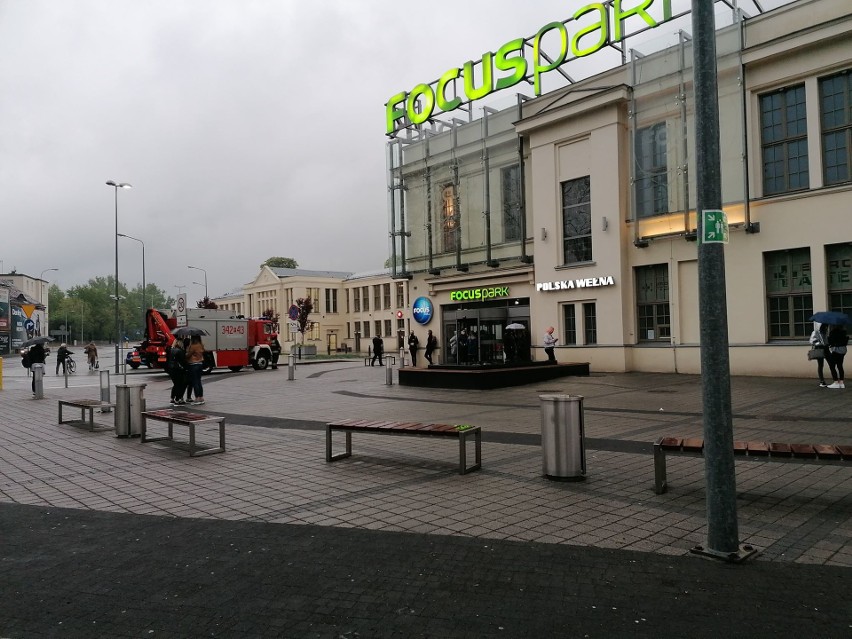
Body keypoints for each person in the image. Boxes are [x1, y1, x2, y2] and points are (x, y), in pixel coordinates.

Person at [826, 323, 848, 389]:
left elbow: (830, 342)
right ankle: (841, 382)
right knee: (840, 366)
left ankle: (836, 382)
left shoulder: (833, 332)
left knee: (832, 365)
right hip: (843, 351)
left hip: (836, 351)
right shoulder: (844, 332)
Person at [185, 334, 206, 405]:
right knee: (199, 381)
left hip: (193, 364)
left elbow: (188, 355)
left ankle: (197, 398)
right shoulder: (201, 345)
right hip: (200, 364)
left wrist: (187, 351)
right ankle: (201, 397)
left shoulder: (193, 346)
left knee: (195, 382)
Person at [166, 339, 187, 405]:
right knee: (180, 384)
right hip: (178, 369)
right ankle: (177, 399)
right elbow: (183, 361)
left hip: (171, 369)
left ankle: (172, 398)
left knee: (175, 384)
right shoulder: (180, 351)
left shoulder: (171, 350)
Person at [809, 322, 829, 387]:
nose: (826, 328)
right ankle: (822, 381)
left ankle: (835, 380)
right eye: (825, 327)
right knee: (820, 365)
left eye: (827, 327)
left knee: (831, 363)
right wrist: (819, 343)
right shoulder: (816, 332)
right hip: (819, 349)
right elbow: (811, 341)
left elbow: (826, 341)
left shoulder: (825, 333)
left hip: (826, 349)